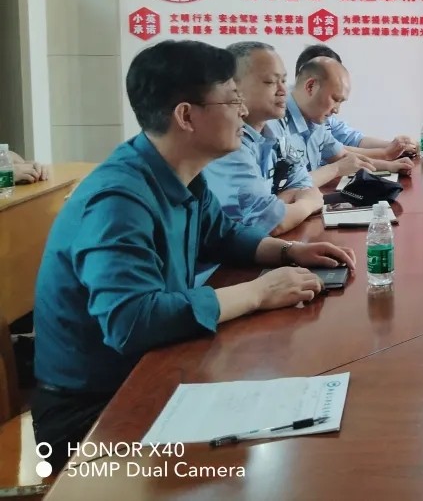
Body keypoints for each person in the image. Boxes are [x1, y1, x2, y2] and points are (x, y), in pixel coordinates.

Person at [32, 40, 356, 470]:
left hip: (156, 370)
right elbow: (132, 321)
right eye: (232, 100)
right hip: (95, 413)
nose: (243, 112)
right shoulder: (118, 199)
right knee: (258, 464)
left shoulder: (182, 173)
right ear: (186, 116)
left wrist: (290, 252)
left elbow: (222, 236)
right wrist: (257, 293)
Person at [203, 42, 323, 236]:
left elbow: (302, 182)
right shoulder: (225, 144)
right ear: (233, 87)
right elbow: (269, 223)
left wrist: (275, 206)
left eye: (284, 80)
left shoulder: (273, 131)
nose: (283, 90)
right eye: (270, 82)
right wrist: (307, 204)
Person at [283, 57, 408, 187]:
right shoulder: (275, 124)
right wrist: (336, 169)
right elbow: (287, 187)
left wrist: (389, 166)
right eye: (335, 99)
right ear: (310, 86)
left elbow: (343, 156)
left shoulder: (315, 121)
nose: (336, 110)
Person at [293, 44, 417, 161]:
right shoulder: (285, 120)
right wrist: (386, 153)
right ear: (310, 84)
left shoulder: (320, 118)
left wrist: (394, 147)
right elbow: (338, 153)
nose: (336, 110)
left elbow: (351, 141)